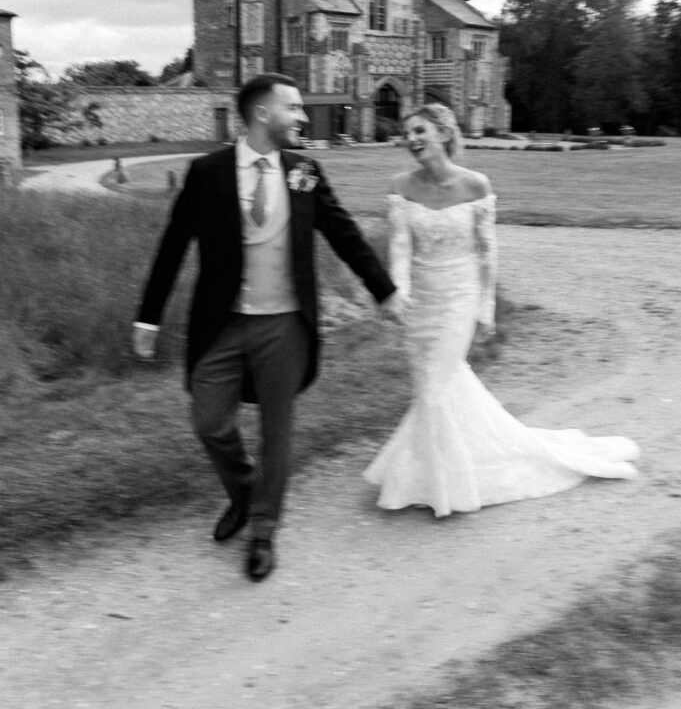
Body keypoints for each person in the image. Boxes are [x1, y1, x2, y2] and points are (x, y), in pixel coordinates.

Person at [132, 73, 402, 581]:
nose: (302, 117)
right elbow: (173, 245)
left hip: (284, 325)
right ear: (261, 114)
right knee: (209, 423)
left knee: (278, 432)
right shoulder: (207, 173)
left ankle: (262, 529)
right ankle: (245, 491)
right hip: (223, 324)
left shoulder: (305, 171)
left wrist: (383, 290)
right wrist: (149, 315)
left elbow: (344, 234)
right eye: (294, 108)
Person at [363, 103, 640, 517]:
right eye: (408, 133)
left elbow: (487, 253)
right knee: (435, 388)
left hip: (459, 297)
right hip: (420, 302)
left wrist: (485, 307)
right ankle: (442, 468)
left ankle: (443, 487)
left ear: (443, 132)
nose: (412, 140)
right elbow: (400, 248)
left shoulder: (475, 185)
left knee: (436, 391)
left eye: (420, 130)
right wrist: (398, 292)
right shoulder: (401, 186)